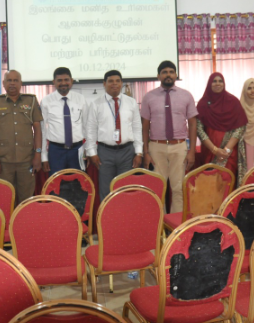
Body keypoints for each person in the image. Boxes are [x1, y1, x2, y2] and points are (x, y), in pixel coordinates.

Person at [141, 60, 198, 213]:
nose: (168, 75)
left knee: (178, 188)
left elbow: (193, 124)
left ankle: (176, 223)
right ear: (158, 76)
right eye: (164, 72)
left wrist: (192, 151)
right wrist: (146, 152)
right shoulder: (149, 97)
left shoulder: (186, 96)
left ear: (176, 75)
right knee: (157, 188)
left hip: (179, 146)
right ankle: (160, 223)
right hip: (156, 147)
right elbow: (144, 127)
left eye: (171, 72)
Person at [0, 70, 43, 204]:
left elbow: (37, 129)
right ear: (3, 83)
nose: (12, 83)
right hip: (4, 162)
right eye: (9, 80)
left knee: (26, 198)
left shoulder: (31, 100)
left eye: (15, 80)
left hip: (26, 160)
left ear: (21, 83)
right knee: (5, 198)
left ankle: (24, 218)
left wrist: (38, 154)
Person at [85, 70, 143, 200]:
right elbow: (91, 130)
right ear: (104, 84)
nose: (114, 84)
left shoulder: (131, 102)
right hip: (105, 153)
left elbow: (137, 128)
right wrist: (92, 153)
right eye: (110, 81)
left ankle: (124, 213)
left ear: (121, 83)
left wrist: (139, 152)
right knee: (106, 190)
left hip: (127, 152)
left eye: (117, 81)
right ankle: (106, 213)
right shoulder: (96, 104)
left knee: (126, 189)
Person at [196, 72, 248, 182]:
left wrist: (226, 150)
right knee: (210, 182)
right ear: (209, 84)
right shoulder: (202, 104)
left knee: (227, 181)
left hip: (229, 152)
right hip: (209, 151)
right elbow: (199, 129)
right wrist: (215, 150)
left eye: (220, 81)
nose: (217, 83)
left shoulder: (233, 102)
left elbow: (240, 127)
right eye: (214, 81)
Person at [41, 67, 87, 176]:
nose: (63, 83)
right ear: (54, 82)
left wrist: (88, 150)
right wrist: (44, 157)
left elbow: (87, 126)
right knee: (56, 183)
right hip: (56, 151)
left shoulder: (81, 99)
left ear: (71, 81)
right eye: (59, 80)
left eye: (66, 80)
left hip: (77, 150)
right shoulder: (46, 101)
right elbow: (42, 130)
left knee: (78, 182)